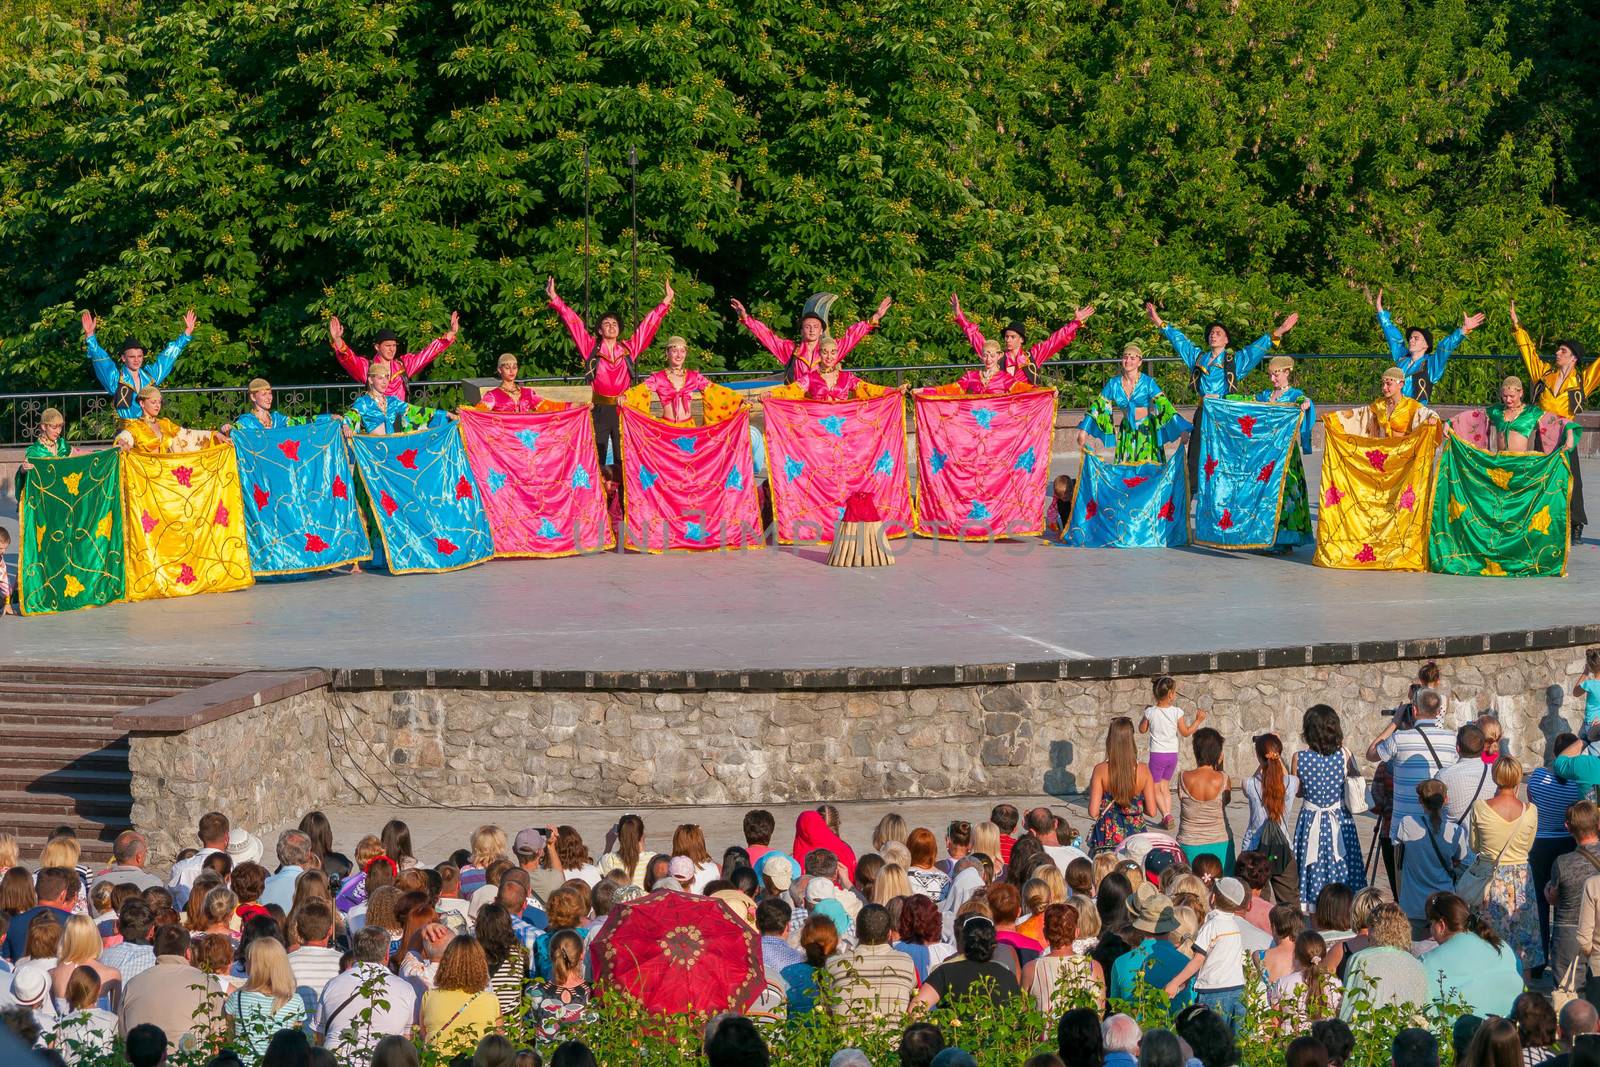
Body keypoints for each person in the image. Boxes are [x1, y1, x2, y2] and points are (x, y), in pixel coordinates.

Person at [1146, 300, 1297, 483]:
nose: (1213, 335)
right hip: (1203, 413)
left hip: (1223, 414)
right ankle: (1194, 494)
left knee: (1223, 457)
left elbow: (1255, 350)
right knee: (1195, 457)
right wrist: (1158, 321)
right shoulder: (1199, 358)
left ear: (1226, 340)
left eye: (1218, 333)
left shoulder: (1234, 361)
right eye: (1211, 333)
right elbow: (1180, 341)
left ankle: (1224, 498)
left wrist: (1279, 331)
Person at [546, 277, 674, 465]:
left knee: (623, 457)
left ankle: (622, 494)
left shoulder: (628, 349)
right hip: (600, 409)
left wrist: (665, 302)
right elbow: (573, 323)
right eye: (607, 324)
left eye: (614, 324)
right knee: (597, 457)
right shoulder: (591, 348)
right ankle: (600, 494)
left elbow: (647, 327)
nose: (611, 326)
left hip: (623, 409)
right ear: (599, 330)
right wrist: (556, 299)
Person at [1511, 299, 1595, 540]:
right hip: (1543, 431)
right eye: (1558, 350)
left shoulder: (1580, 381)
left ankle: (1576, 522)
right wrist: (1518, 326)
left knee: (1572, 479)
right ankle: (1539, 518)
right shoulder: (1544, 374)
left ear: (1574, 359)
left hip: (1566, 433)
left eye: (1563, 351)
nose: (1558, 353)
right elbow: (1529, 353)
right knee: (1541, 475)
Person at [1370, 688, 1457, 867]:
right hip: (1440, 828)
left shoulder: (1399, 739)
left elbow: (1371, 754)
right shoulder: (1452, 739)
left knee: (1405, 891)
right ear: (1440, 711)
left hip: (1405, 832)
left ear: (1415, 710)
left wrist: (1394, 722)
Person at [1473, 756, 1542, 971]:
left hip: (1490, 875)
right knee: (1524, 942)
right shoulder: (1530, 810)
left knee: (1489, 939)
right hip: (1521, 876)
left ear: (1495, 777)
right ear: (1518, 778)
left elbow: (1475, 845)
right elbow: (1528, 846)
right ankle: (1525, 991)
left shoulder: (1480, 807)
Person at [1293, 705, 1367, 902]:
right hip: (1340, 819)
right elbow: (1355, 781)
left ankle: (1313, 904)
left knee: (1313, 864)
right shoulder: (1344, 754)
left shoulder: (1299, 758)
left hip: (1311, 820)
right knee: (1343, 862)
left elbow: (1299, 792)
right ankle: (1346, 905)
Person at [734, 292, 891, 384]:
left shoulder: (829, 350)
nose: (811, 330)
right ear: (801, 330)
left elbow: (853, 336)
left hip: (823, 405)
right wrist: (746, 318)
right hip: (798, 407)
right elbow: (766, 336)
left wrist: (875, 317)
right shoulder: (790, 350)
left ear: (821, 330)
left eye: (815, 327)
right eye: (807, 327)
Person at [1077, 343, 1192, 463]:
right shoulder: (1114, 383)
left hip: (1146, 431)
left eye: (1133, 358)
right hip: (1127, 431)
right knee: (1127, 472)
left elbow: (1164, 405)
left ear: (1139, 362)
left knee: (1147, 471)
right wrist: (1084, 430)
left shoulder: (1148, 382)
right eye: (1125, 357)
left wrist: (1181, 428)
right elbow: (1097, 406)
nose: (1128, 361)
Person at [313, 927, 417, 1060]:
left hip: (338, 1061)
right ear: (386, 954)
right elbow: (408, 1038)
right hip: (383, 1061)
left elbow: (319, 1036)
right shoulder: (405, 988)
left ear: (355, 952)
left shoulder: (333, 984)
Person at [1366, 286, 1485, 402]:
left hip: (1416, 414)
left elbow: (1444, 348)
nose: (1411, 340)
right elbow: (1393, 338)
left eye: (1416, 338)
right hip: (1394, 411)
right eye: (1411, 338)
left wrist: (1463, 330)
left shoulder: (1431, 364)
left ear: (1425, 345)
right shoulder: (1402, 359)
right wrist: (1381, 312)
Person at [1164, 877, 1253, 1026]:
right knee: (1235, 1041)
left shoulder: (1211, 926)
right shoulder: (1234, 927)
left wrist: (1175, 982)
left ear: (1213, 897)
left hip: (1214, 991)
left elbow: (1198, 960)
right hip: (1238, 990)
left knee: (1210, 1039)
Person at [1421, 891, 1524, 1017]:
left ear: (1441, 926)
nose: (1430, 932)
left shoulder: (1426, 961)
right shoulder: (1501, 944)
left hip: (1466, 1033)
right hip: (1511, 1026)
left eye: (1430, 925)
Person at [1249, 354, 1316, 546]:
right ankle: (1266, 536)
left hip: (1286, 452)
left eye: (1276, 375)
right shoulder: (1265, 396)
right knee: (1267, 492)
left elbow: (1305, 400)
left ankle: (1284, 540)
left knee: (1286, 493)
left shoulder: (1295, 395)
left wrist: (1305, 404)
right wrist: (1222, 398)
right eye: (1270, 375)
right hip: (1267, 453)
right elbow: (1248, 401)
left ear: (1287, 372)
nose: (1272, 379)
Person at [951, 293, 1093, 383]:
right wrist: (960, 316)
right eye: (1006, 337)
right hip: (1004, 409)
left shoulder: (1033, 355)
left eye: (1012, 337)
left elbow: (1056, 340)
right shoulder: (998, 357)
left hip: (1027, 411)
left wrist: (1075, 322)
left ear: (1021, 339)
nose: (1008, 340)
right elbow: (977, 339)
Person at [81, 308, 197, 419]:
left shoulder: (151, 376)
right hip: (128, 431)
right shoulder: (116, 379)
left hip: (148, 429)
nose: (136, 360)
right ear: (123, 358)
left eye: (140, 356)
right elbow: (101, 360)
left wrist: (186, 334)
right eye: (132, 357)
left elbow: (168, 356)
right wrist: (90, 336)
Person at [328, 311, 459, 401]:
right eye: (387, 346)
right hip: (378, 419)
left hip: (400, 418)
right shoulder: (368, 367)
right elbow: (350, 360)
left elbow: (427, 354)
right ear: (377, 347)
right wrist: (338, 340)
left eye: (394, 345)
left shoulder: (403, 364)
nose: (392, 349)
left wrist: (450, 334)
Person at [118, 924, 214, 1046]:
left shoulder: (132, 984)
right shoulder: (207, 982)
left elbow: (121, 1037)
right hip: (194, 1060)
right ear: (188, 953)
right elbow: (218, 1035)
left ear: (155, 951)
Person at [1397, 779, 1472, 933]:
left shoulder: (1406, 824)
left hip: (1413, 904)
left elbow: (1398, 860)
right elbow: (1464, 862)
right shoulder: (1455, 831)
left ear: (1420, 800)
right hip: (1444, 905)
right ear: (1446, 800)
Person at [824, 904, 916, 1021]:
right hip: (895, 1038)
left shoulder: (833, 964)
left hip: (845, 1038)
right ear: (889, 934)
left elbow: (826, 1010)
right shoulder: (906, 962)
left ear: (856, 933)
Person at [222, 936, 305, 1058]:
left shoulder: (237, 998)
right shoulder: (295, 1001)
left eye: (248, 960)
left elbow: (229, 1037)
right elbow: (297, 1042)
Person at [915, 917, 1023, 1009]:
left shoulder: (945, 971)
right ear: (993, 945)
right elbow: (1019, 1016)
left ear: (963, 942)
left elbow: (916, 1009)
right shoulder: (1007, 976)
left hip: (954, 1033)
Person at [1140, 677, 1206, 827]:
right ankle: (1167, 814)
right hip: (1172, 755)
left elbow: (1142, 730)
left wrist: (1145, 716)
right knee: (1165, 786)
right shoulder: (1177, 712)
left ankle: (1167, 815)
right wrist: (1198, 720)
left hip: (1157, 755)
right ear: (1170, 694)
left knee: (1155, 786)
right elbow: (1186, 732)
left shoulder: (1150, 712)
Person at [1242, 733, 1300, 905]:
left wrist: (1264, 762)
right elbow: (1281, 774)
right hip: (1283, 849)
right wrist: (1277, 757)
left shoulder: (1249, 784)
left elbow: (1255, 778)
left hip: (1254, 850)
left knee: (1255, 903)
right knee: (1290, 903)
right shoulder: (1292, 783)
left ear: (1259, 758)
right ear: (1279, 755)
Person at [419, 935, 501, 1055]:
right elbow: (500, 1044)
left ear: (446, 963)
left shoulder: (429, 997)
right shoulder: (491, 1001)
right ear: (481, 965)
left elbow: (424, 1037)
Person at [1551, 799, 1600, 1001]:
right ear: (1598, 825)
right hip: (1598, 928)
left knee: (1568, 995)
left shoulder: (1562, 862)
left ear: (1568, 827)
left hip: (1569, 929)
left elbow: (1553, 898)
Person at [1087, 717, 1159, 853]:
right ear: (1131, 740)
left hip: (1108, 837)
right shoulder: (1143, 770)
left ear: (1110, 740)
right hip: (1136, 838)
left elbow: (1093, 811)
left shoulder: (1100, 770)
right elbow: (1152, 811)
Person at [1021, 902, 1104, 1015]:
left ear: (1045, 933)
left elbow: (1023, 1014)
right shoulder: (1094, 967)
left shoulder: (1031, 969)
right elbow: (1100, 1010)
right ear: (1076, 932)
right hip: (1084, 1032)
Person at [341, 362, 454, 435]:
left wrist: (444, 414)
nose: (385, 382)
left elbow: (416, 411)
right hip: (374, 451)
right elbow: (352, 415)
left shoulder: (392, 401)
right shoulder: (364, 402)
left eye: (386, 378)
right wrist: (346, 425)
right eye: (380, 378)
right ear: (370, 380)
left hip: (392, 448)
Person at [1177, 728, 1234, 870]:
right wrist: (1219, 765)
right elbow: (1225, 801)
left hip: (1189, 842)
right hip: (1219, 842)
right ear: (1218, 753)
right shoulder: (1224, 779)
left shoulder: (1183, 777)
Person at [113, 386, 230, 453]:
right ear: (142, 403)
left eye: (159, 402)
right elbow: (124, 437)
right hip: (145, 478)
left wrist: (214, 435)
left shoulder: (165, 423)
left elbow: (189, 435)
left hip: (167, 476)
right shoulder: (135, 427)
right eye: (153, 402)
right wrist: (121, 442)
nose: (157, 405)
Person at [526, 929, 591, 1042]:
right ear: (582, 955)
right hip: (583, 1057)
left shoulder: (534, 992)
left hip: (547, 1059)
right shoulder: (592, 992)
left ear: (551, 956)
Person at [47, 965, 117, 1064]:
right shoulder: (112, 1020)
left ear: (71, 990)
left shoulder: (64, 1024)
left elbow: (59, 1058)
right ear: (99, 990)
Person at [1437, 725, 1495, 838]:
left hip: (1454, 844)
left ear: (1457, 748)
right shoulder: (1495, 773)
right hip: (1487, 843)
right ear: (1484, 748)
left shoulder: (1443, 776)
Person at [14, 408, 82, 502]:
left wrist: (99, 453)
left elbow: (78, 453)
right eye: (54, 427)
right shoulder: (35, 452)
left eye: (60, 427)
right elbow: (24, 478)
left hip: (64, 500)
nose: (58, 431)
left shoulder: (61, 445)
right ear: (44, 427)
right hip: (44, 503)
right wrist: (23, 469)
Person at [796, 337, 893, 401]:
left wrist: (894, 390)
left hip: (843, 425)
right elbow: (789, 391)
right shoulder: (809, 378)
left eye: (833, 353)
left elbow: (870, 389)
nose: (829, 357)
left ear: (837, 354)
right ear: (819, 354)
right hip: (818, 426)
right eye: (825, 352)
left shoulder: (847, 377)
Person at [478, 354, 565, 414]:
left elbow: (549, 406)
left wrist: (575, 406)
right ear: (500, 370)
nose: (512, 371)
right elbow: (477, 413)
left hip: (526, 435)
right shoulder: (493, 396)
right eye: (507, 368)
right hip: (505, 437)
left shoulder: (528, 393)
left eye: (514, 368)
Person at [937, 338, 1025, 395]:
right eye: (985, 356)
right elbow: (950, 389)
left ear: (999, 356)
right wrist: (926, 391)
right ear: (981, 356)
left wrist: (1038, 391)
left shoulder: (1005, 378)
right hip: (973, 420)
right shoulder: (971, 376)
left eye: (992, 356)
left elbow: (1023, 389)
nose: (988, 359)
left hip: (997, 421)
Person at [1488, 377, 1546, 452]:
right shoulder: (1496, 410)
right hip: (1500, 460)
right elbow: (1474, 417)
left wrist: (1567, 434)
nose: (1508, 400)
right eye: (1505, 396)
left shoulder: (1531, 412)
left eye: (1512, 396)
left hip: (1520, 461)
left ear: (1521, 393)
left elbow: (1556, 421)